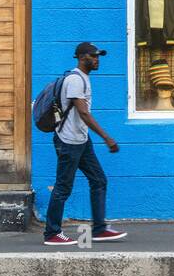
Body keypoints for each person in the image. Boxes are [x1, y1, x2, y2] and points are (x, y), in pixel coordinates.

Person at [43, 42, 126, 246]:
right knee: (63, 187)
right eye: (93, 56)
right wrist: (106, 137)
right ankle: (52, 233)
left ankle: (99, 229)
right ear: (82, 57)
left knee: (98, 180)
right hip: (69, 140)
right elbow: (83, 113)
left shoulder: (83, 79)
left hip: (81, 139)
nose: (97, 60)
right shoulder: (74, 80)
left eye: (98, 56)